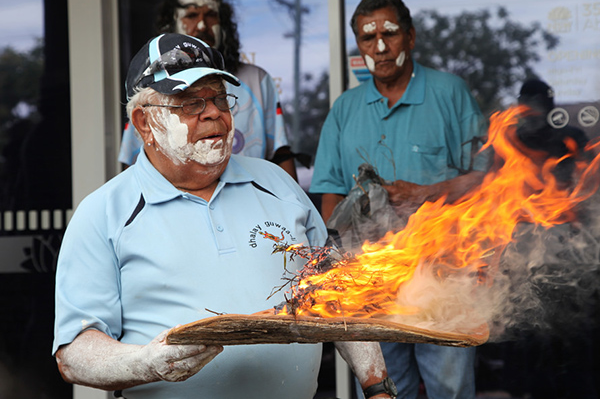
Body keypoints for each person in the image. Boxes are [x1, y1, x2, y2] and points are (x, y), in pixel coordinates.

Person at [53, 33, 396, 399]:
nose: (214, 111)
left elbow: (337, 290)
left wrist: (377, 387)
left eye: (219, 98)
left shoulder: (277, 183)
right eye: (189, 103)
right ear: (144, 124)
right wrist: (148, 362)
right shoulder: (104, 213)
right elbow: (74, 352)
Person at [310, 0, 488, 399]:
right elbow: (331, 196)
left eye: (389, 34)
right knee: (385, 390)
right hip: (372, 281)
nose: (379, 46)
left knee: (451, 388)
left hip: (444, 276)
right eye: (367, 38)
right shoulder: (345, 109)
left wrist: (427, 193)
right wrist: (340, 270)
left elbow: (486, 179)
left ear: (410, 37)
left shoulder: (449, 93)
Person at [119, 0, 299, 181]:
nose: (203, 25)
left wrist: (290, 201)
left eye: (211, 15)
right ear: (171, 24)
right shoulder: (153, 85)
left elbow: (280, 154)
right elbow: (132, 161)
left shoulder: (257, 80)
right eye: (191, 15)